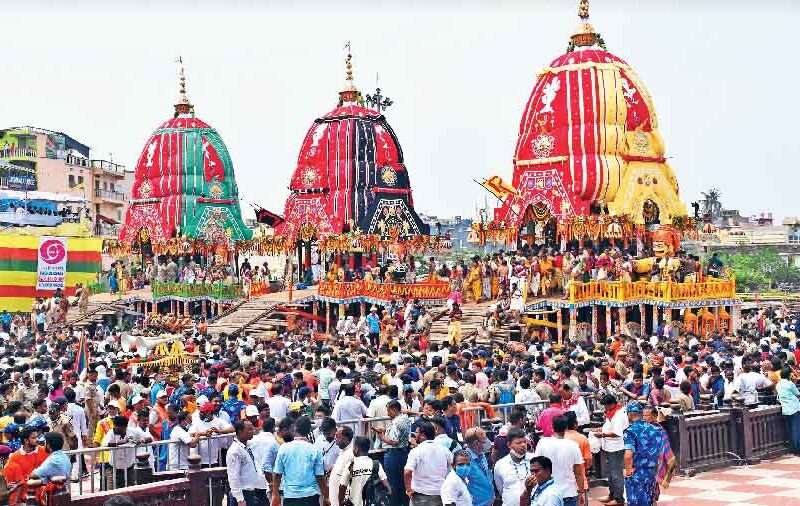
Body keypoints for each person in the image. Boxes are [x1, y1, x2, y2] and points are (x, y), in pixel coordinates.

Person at [272, 416, 329, 506]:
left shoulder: (284, 448)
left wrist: (275, 494)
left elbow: (277, 474)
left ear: (295, 428)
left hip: (290, 497)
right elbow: (320, 477)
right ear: (309, 431)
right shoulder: (314, 449)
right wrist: (326, 496)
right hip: (311, 497)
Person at [533, 416, 585, 506]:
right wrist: (581, 492)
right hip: (569, 493)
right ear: (566, 428)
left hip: (549, 494)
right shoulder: (573, 445)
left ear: (552, 427)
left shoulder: (543, 443)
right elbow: (579, 473)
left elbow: (535, 468)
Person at [622, 401, 664, 506]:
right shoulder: (656, 429)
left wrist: (628, 472)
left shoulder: (630, 431)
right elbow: (661, 453)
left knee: (636, 502)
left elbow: (628, 455)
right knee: (650, 500)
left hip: (638, 472)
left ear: (630, 414)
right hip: (652, 471)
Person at [403, 420, 452, 506]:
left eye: (417, 432)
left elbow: (407, 472)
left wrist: (409, 490)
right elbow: (452, 467)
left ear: (422, 435)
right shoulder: (444, 450)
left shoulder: (416, 451)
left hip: (420, 497)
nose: (415, 435)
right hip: (440, 494)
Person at [373, 400, 411, 506]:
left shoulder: (397, 422)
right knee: (401, 482)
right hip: (403, 453)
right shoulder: (405, 418)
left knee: (393, 483)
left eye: (388, 411)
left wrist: (382, 437)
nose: (387, 414)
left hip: (394, 454)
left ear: (394, 410)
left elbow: (394, 441)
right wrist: (385, 430)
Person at [593, 395, 627, 506]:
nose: (605, 408)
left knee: (616, 474)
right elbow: (609, 427)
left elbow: (617, 433)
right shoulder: (611, 413)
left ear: (611, 404)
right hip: (609, 447)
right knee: (610, 474)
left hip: (616, 448)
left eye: (605, 406)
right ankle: (612, 495)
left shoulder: (619, 414)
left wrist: (602, 434)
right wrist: (602, 429)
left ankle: (619, 499)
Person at [227, 420, 270, 506]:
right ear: (240, 431)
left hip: (253, 491)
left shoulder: (247, 446)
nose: (252, 431)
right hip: (244, 493)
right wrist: (240, 499)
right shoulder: (235, 451)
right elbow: (233, 477)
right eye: (249, 429)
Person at [339, 436, 390, 506]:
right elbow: (387, 486)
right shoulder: (376, 464)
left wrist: (340, 503)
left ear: (356, 449)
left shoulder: (350, 466)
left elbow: (342, 487)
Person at [493, 428, 529, 506]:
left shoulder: (534, 460)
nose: (523, 445)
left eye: (524, 442)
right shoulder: (500, 465)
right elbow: (500, 488)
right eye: (519, 443)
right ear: (509, 445)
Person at [461, 428, 494, 506]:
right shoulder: (464, 461)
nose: (488, 443)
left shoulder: (482, 455)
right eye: (484, 441)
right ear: (476, 443)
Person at [776, 366, 800, 453]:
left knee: (790, 430)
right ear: (788, 375)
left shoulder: (778, 384)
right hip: (794, 408)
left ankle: (792, 448)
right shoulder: (790, 384)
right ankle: (797, 449)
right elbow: (797, 394)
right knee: (796, 430)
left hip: (785, 409)